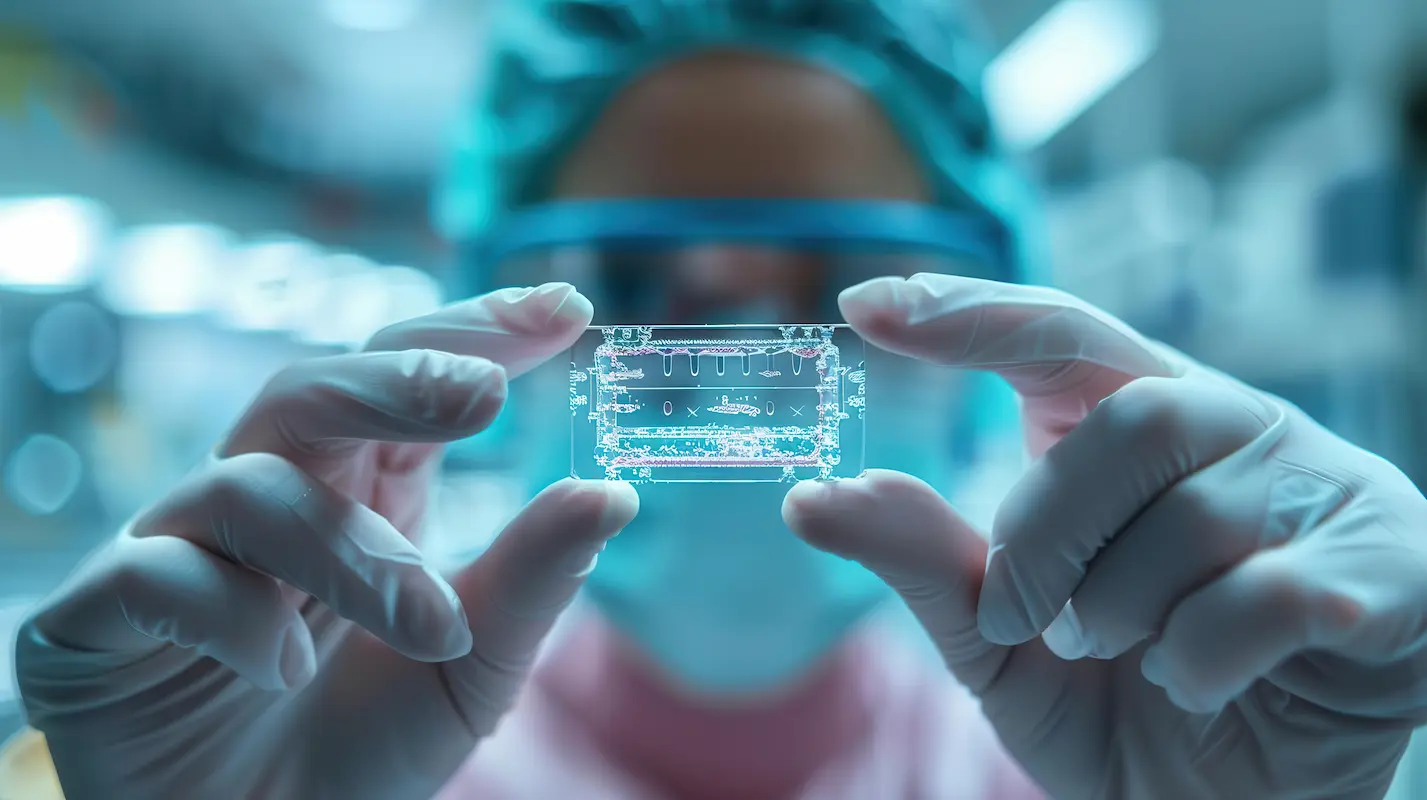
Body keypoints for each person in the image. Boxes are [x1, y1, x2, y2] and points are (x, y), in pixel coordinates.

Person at [6, 1, 1427, 798]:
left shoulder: (1118, 759)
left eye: (842, 287)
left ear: (993, 348)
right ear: (497, 334)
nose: (732, 350)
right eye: (630, 279)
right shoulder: (307, 747)